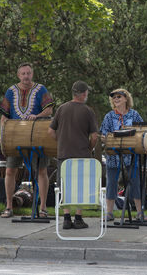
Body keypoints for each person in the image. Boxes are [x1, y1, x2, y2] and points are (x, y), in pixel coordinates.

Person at [0, 62, 54, 218]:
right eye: (23, 73)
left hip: (38, 135)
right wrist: (3, 135)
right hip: (15, 136)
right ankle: (9, 206)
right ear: (18, 75)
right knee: (10, 171)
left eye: (28, 73)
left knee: (42, 171)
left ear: (32, 74)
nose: (26, 76)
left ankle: (43, 208)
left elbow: (49, 109)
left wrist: (37, 116)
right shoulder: (11, 91)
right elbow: (4, 115)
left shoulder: (41, 89)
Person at [49, 80, 99, 229]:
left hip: (64, 154)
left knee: (64, 186)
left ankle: (66, 218)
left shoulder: (62, 108)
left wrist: (61, 141)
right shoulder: (88, 111)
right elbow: (95, 136)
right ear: (84, 94)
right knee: (80, 187)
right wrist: (89, 148)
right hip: (82, 154)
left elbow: (51, 131)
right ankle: (78, 218)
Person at [100, 88, 147, 222]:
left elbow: (142, 132)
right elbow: (103, 134)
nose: (116, 99)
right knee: (111, 183)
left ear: (126, 99)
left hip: (132, 155)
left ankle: (140, 212)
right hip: (113, 155)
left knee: (135, 182)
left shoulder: (134, 115)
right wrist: (107, 138)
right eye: (114, 98)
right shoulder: (109, 116)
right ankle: (109, 213)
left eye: (119, 97)